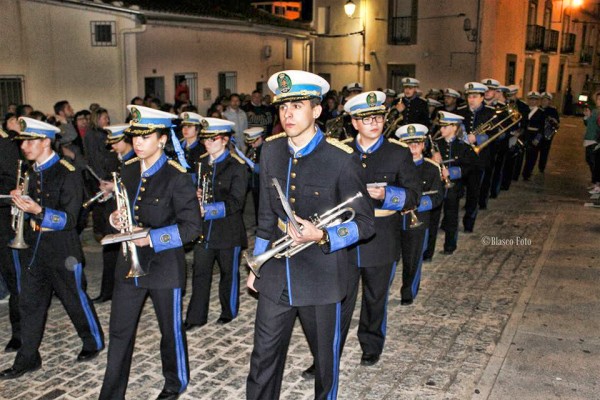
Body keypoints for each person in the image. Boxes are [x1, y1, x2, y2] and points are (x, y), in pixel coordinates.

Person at [246, 70, 375, 400]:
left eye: (298, 106)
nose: (288, 114)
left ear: (317, 111)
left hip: (322, 275)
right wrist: (255, 264)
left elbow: (364, 223)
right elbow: (264, 215)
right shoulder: (271, 151)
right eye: (283, 107)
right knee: (262, 358)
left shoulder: (341, 159)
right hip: (276, 269)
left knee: (325, 363)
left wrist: (322, 234)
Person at [99, 105, 201, 400]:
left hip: (164, 265)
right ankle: (111, 393)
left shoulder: (177, 176)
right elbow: (124, 207)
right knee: (119, 331)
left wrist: (152, 238)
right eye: (135, 137)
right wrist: (115, 218)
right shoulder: (128, 169)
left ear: (162, 139)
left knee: (170, 331)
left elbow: (192, 227)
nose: (138, 143)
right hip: (128, 264)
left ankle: (175, 382)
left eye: (146, 136)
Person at [0, 117, 104, 380]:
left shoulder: (67, 172)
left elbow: (71, 219)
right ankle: (28, 357)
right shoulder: (30, 172)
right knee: (29, 304)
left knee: (74, 299)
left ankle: (93, 341)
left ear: (46, 141)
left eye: (30, 141)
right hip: (33, 249)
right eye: (23, 141)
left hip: (62, 249)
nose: (24, 147)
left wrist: (38, 211)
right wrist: (19, 203)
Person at [184, 117, 248, 331]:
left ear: (225, 140)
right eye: (205, 140)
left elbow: (236, 202)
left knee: (228, 274)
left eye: (212, 139)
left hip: (228, 230)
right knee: (200, 273)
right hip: (204, 230)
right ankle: (196, 316)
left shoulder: (237, 166)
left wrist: (208, 209)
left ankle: (228, 311)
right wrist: (195, 196)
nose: (207, 144)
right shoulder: (201, 162)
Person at [396, 123, 443, 304]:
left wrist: (414, 205)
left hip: (418, 219)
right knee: (391, 258)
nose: (413, 148)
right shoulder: (396, 166)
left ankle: (408, 291)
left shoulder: (432, 168)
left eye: (417, 143)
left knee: (413, 258)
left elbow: (437, 196)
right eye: (408, 144)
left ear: (424, 145)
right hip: (395, 218)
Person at [430, 111, 476, 254]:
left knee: (451, 218)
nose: (441, 129)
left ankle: (449, 246)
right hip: (437, 187)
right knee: (432, 220)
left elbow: (470, 165)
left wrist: (453, 172)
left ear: (454, 128)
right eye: (441, 126)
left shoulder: (462, 146)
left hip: (454, 187)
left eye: (444, 127)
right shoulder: (436, 144)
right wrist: (432, 160)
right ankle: (428, 251)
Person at [456, 82, 496, 232]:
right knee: (454, 192)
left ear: (482, 97)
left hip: (479, 159)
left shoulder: (490, 113)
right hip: (461, 158)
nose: (471, 100)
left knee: (473, 193)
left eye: (474, 96)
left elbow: (497, 134)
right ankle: (449, 222)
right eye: (469, 96)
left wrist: (478, 139)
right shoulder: (461, 112)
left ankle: (469, 222)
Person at [0, 118, 21, 353]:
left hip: (3, 222)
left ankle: (20, 333)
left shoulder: (5, 144)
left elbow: (11, 181)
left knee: (14, 279)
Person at [521, 92, 546, 181]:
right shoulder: (524, 110)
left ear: (537, 101)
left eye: (535, 100)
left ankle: (527, 174)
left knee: (531, 156)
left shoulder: (541, 112)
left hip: (534, 135)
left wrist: (538, 139)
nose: (532, 101)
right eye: (531, 99)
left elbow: (542, 128)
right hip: (524, 134)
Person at [179, 111, 206, 178]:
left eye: (189, 127)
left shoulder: (202, 149)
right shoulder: (177, 146)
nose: (185, 129)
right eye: (184, 126)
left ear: (197, 130)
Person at [539, 92, 560, 174]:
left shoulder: (553, 110)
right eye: (543, 100)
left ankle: (541, 168)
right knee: (533, 153)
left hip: (547, 134)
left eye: (546, 100)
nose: (544, 101)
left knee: (544, 152)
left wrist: (553, 120)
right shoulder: (537, 109)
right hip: (537, 134)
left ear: (549, 101)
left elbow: (557, 123)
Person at [583, 92, 600, 194]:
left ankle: (596, 183)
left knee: (594, 162)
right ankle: (595, 182)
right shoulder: (595, 111)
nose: (598, 101)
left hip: (595, 140)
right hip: (589, 138)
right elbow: (587, 123)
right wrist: (586, 116)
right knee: (590, 160)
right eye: (598, 99)